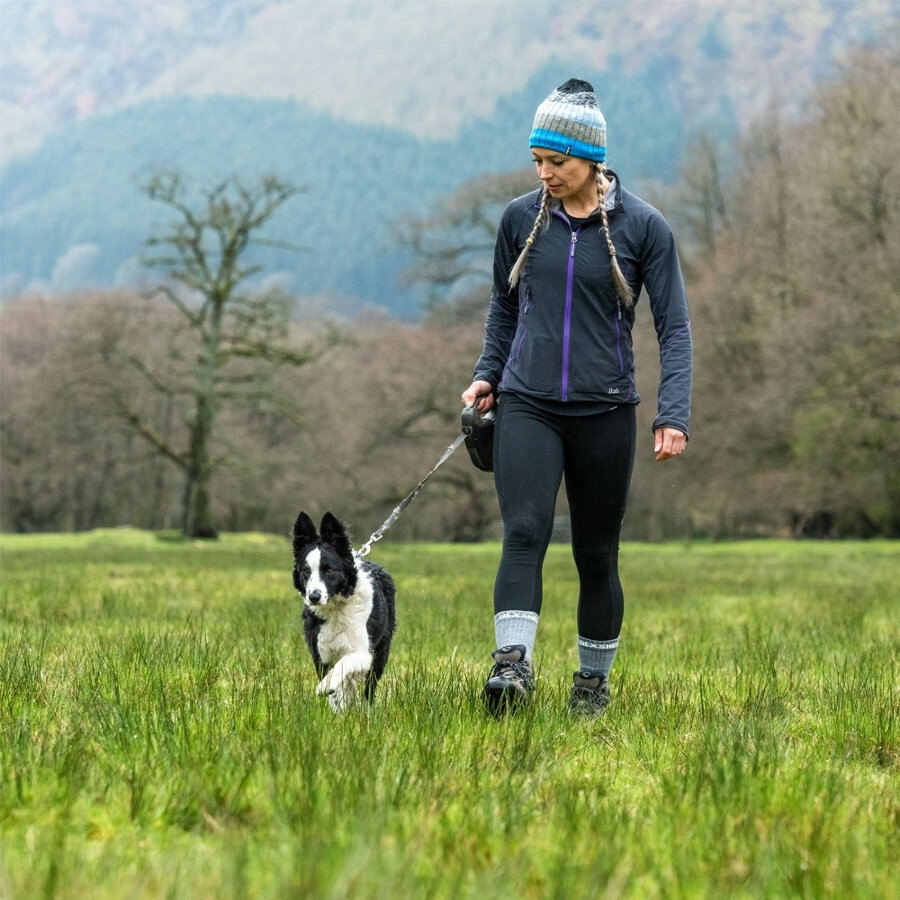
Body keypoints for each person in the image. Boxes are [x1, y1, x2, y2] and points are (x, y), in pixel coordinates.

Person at [461, 78, 692, 716]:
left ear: (592, 159)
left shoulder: (645, 228)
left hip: (606, 410)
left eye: (556, 163)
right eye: (537, 162)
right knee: (524, 531)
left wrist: (673, 414)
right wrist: (488, 372)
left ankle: (591, 684)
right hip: (528, 400)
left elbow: (674, 328)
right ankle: (511, 667)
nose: (544, 174)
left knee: (595, 551)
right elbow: (504, 308)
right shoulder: (518, 221)